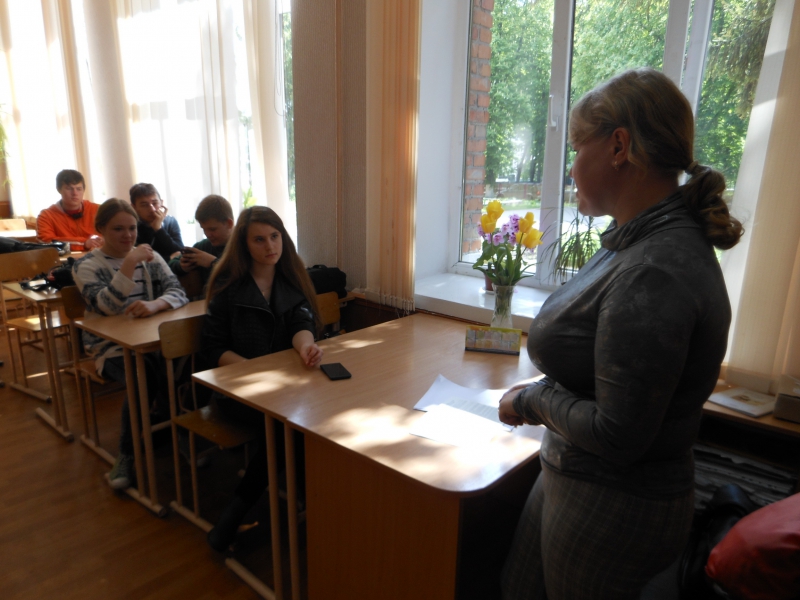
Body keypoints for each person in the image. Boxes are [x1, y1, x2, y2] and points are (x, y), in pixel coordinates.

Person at [498, 68, 743, 600]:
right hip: (572, 475)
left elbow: (619, 435)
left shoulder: (654, 268)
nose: (570, 167)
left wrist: (533, 400)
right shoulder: (632, 240)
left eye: (575, 148)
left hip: (613, 506)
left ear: (618, 147)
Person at [202, 206, 322, 552]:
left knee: (306, 422)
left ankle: (311, 499)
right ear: (244, 244)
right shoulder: (227, 288)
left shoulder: (290, 279)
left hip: (284, 389)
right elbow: (212, 350)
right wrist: (254, 371)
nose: (270, 246)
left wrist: (306, 346)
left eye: (274, 236)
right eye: (259, 239)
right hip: (235, 393)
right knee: (289, 430)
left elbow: (301, 323)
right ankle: (233, 518)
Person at [73, 198, 188, 490]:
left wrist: (155, 304)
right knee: (143, 377)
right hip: (109, 346)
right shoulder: (86, 265)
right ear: (101, 229)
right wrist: (129, 262)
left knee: (182, 367)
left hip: (152, 340)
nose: (128, 235)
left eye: (132, 228)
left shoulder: (151, 257)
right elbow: (107, 306)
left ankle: (175, 433)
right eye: (118, 229)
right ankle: (127, 453)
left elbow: (178, 291)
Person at [169, 194, 234, 299]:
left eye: (212, 229)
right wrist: (182, 266)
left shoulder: (244, 246)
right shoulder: (204, 246)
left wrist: (213, 263)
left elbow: (244, 279)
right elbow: (171, 265)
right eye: (204, 229)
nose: (207, 234)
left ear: (229, 224)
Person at [37, 169, 103, 250]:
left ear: (83, 190)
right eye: (69, 188)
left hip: (98, 256)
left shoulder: (98, 210)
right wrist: (84, 243)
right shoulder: (46, 216)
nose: (75, 193)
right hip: (66, 258)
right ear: (59, 189)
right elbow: (47, 241)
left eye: (79, 189)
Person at [130, 183, 184, 261]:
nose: (152, 209)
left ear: (161, 203)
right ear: (134, 207)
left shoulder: (170, 222)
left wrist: (159, 229)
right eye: (144, 205)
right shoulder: (132, 227)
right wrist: (169, 258)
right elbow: (139, 260)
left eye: (155, 203)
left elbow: (180, 253)